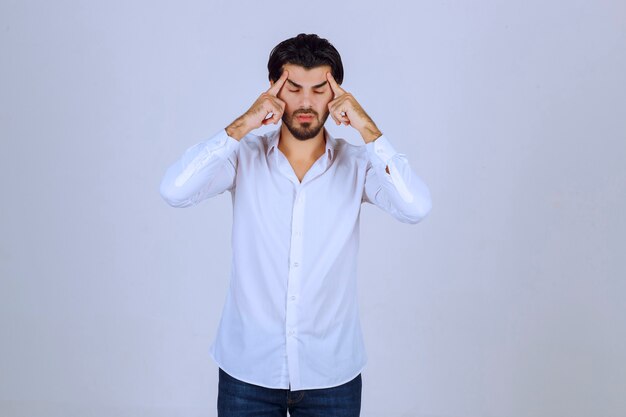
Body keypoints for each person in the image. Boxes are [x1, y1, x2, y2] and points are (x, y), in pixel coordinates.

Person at [160, 33, 432, 417]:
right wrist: (242, 125)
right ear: (273, 91)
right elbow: (174, 190)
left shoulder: (357, 164)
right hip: (247, 372)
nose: (306, 102)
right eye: (294, 89)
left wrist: (369, 130)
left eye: (320, 89)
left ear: (337, 95)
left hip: (331, 374)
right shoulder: (243, 158)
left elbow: (416, 206)